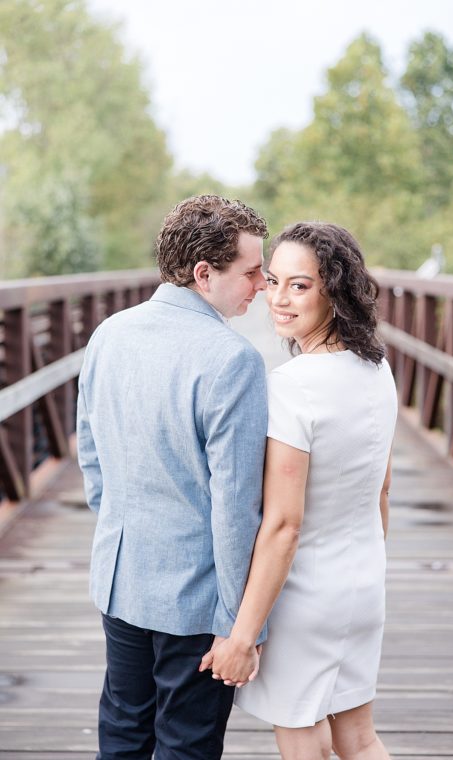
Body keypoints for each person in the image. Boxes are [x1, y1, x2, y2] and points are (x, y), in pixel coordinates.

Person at [76, 195, 270, 758]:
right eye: (252, 272)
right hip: (196, 602)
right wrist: (240, 626)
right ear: (204, 274)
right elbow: (236, 509)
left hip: (119, 579)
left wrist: (119, 524)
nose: (261, 285)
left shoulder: (109, 333)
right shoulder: (233, 360)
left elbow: (91, 456)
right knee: (186, 746)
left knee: (122, 735)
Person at [200, 222, 397, 760]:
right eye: (272, 280)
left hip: (306, 597)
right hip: (363, 581)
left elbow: (284, 525)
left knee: (302, 736)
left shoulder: (291, 387)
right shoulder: (377, 370)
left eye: (300, 285)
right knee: (359, 739)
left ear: (334, 288)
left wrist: (242, 634)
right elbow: (381, 491)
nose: (279, 299)